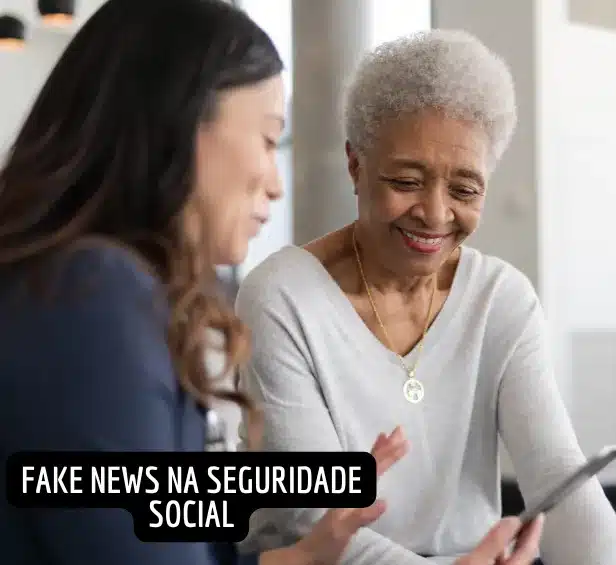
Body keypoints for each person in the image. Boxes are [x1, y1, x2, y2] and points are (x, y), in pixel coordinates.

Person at [0, 2, 542, 564]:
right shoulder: (93, 300)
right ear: (179, 127)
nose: (277, 183)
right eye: (267, 138)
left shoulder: (108, 292)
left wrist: (307, 554)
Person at [235, 29, 616, 565]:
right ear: (355, 165)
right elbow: (315, 518)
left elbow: (556, 472)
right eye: (406, 180)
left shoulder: (501, 298)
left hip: (475, 558)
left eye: (464, 190)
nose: (435, 215)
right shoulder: (283, 296)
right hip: (324, 563)